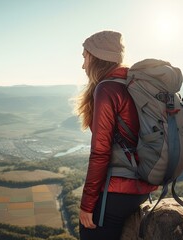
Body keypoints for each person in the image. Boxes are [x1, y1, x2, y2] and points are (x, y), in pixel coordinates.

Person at [75, 30, 158, 240]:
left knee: (89, 232)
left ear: (96, 58)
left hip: (117, 189)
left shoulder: (106, 89)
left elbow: (100, 153)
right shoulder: (132, 86)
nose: (83, 65)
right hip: (142, 186)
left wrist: (87, 205)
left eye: (85, 57)